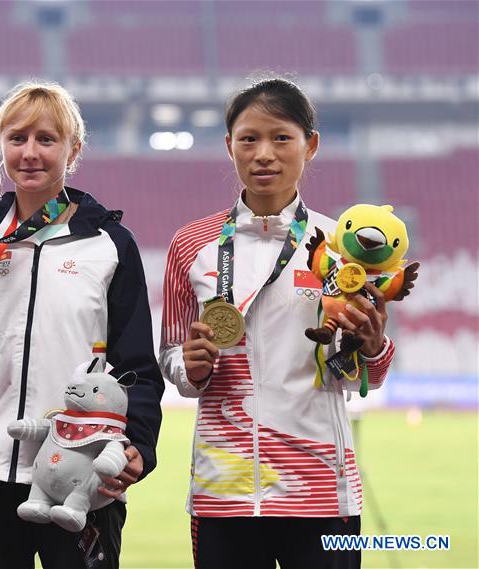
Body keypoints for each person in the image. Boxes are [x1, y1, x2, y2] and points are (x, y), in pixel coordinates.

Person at [0, 81, 164, 569]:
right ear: (2, 145)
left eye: (46, 139)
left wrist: (137, 446)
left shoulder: (110, 245)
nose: (30, 153)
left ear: (74, 149)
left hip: (82, 473)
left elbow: (135, 366)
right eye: (17, 138)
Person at [159, 77, 402, 569]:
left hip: (321, 493)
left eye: (281, 138)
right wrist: (191, 366)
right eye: (249, 138)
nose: (264, 153)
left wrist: (373, 348)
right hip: (224, 490)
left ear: (310, 145)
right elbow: (171, 360)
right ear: (229, 146)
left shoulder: (342, 248)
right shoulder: (191, 246)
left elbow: (366, 376)